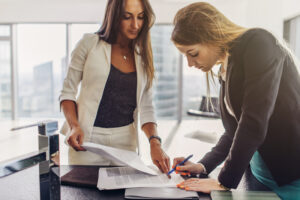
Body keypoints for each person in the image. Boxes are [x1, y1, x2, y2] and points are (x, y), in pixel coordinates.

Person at [171, 2, 300, 199]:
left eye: (193, 53)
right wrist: (204, 165)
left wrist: (223, 181)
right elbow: (234, 131)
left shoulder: (259, 43)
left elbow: (253, 122)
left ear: (211, 35)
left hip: (291, 177)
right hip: (258, 175)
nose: (189, 63)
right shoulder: (225, 67)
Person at [59, 0, 170, 174]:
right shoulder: (89, 43)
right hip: (88, 140)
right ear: (114, 16)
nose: (135, 25)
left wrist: (155, 142)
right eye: (127, 17)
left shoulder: (143, 55)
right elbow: (67, 93)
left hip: (125, 143)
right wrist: (74, 126)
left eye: (140, 17)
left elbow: (147, 106)